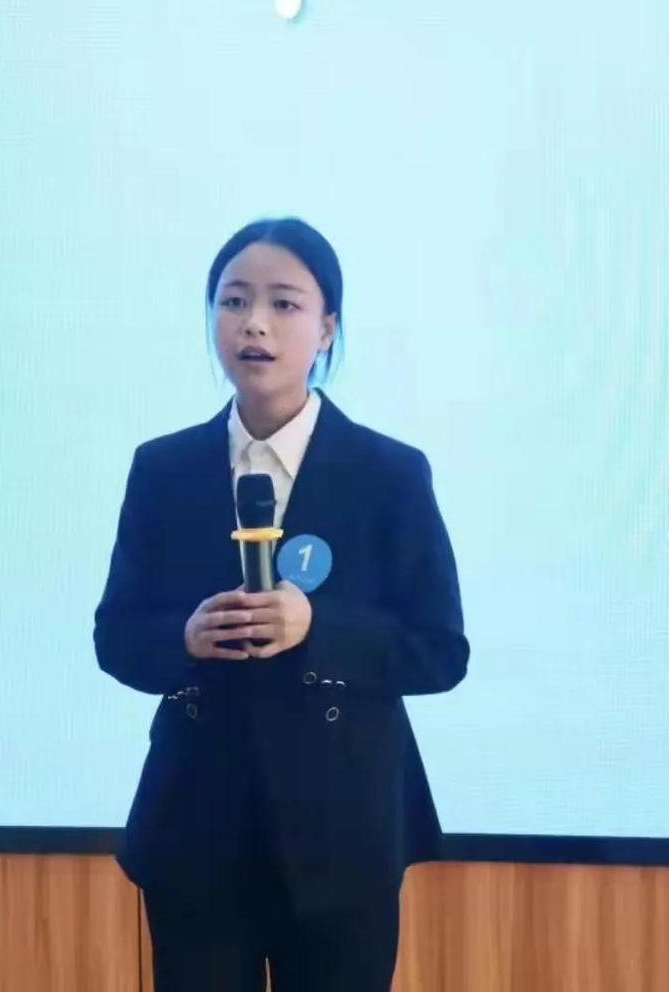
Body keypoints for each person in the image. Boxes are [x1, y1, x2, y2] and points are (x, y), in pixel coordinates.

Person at [93, 217, 470, 992]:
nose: (254, 323)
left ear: (326, 326)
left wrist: (316, 627)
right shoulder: (164, 469)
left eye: (283, 303)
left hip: (343, 830)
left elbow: (438, 652)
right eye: (233, 301)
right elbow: (118, 637)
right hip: (198, 826)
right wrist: (185, 637)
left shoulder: (387, 473)